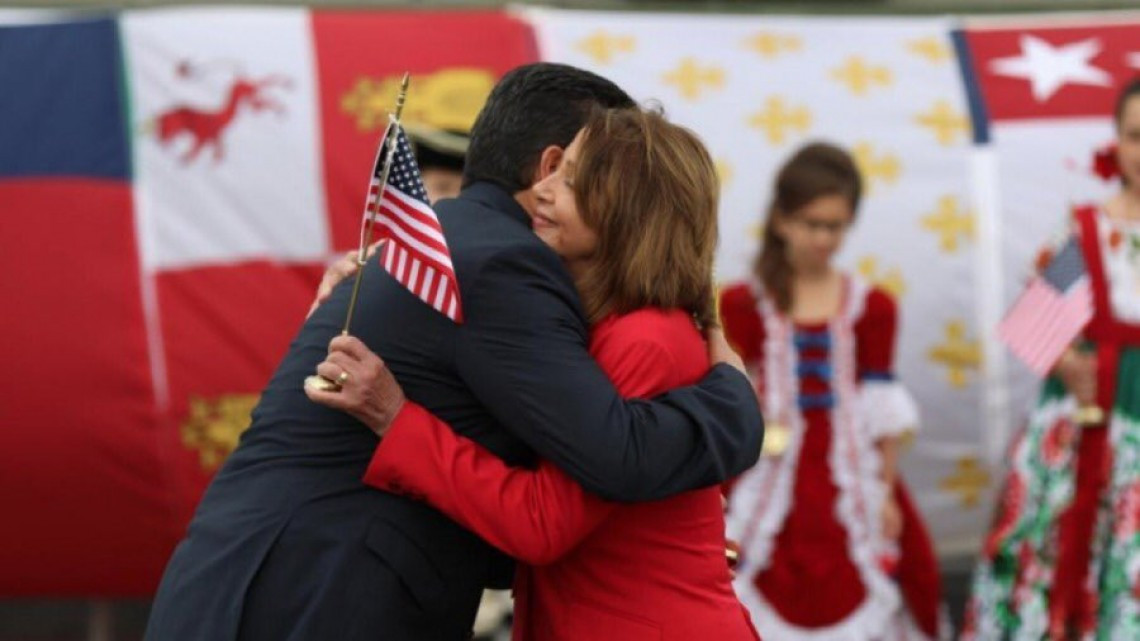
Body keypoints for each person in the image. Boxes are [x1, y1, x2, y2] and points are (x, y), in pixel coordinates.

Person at [143, 62, 763, 641]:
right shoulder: (501, 263)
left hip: (254, 581)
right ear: (548, 163)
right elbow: (613, 454)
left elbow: (557, 499)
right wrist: (733, 402)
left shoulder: (447, 248)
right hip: (315, 593)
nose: (553, 192)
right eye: (566, 173)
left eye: (580, 180)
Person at [312, 107, 760, 640]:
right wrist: (381, 285)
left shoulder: (647, 337)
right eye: (552, 171)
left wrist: (396, 418)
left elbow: (542, 524)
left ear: (628, 213)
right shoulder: (600, 323)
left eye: (569, 181)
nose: (541, 190)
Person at [719, 142, 941, 640]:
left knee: (894, 575)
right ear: (781, 220)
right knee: (739, 575)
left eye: (834, 226)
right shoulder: (742, 303)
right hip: (766, 477)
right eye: (810, 223)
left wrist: (885, 491)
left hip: (849, 478)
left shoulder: (874, 307)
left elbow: (881, 409)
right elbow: (727, 397)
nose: (822, 238)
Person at [964, 78, 1140, 640]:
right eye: (1137, 136)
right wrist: (1069, 359)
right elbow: (1036, 323)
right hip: (1083, 423)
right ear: (1117, 141)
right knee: (1056, 543)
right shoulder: (1089, 227)